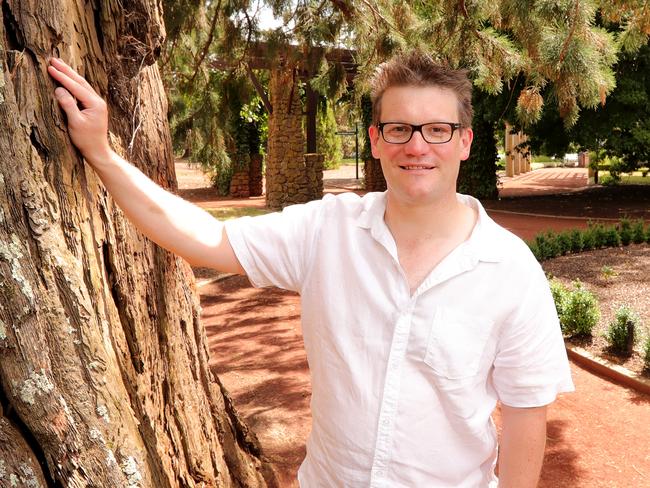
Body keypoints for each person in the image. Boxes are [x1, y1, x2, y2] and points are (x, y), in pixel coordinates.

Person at [48, 51, 574, 488]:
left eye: (437, 129)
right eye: (400, 128)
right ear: (374, 139)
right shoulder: (329, 230)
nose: (417, 146)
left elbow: (526, 421)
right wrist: (101, 153)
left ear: (464, 142)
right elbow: (204, 237)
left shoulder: (510, 269)